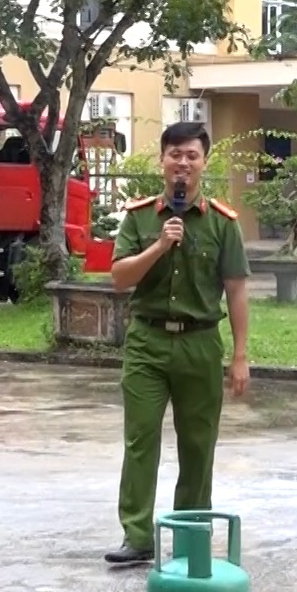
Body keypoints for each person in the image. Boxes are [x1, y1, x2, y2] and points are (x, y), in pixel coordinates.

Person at [102, 121, 252, 565]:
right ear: (162, 161)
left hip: (200, 344)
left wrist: (241, 355)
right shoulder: (140, 216)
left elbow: (237, 290)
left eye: (191, 156)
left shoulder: (223, 224)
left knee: (198, 444)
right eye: (175, 155)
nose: (182, 164)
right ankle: (138, 536)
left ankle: (189, 536)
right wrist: (158, 248)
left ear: (204, 162)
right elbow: (118, 278)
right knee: (140, 439)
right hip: (147, 342)